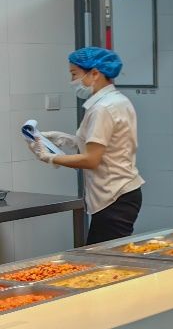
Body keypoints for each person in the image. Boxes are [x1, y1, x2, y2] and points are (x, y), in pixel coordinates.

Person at [26, 48, 144, 245]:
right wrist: (63, 139)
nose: (72, 81)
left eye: (74, 74)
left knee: (103, 257)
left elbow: (91, 159)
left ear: (95, 73)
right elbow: (105, 145)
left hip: (114, 195)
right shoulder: (116, 101)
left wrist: (49, 157)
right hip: (121, 193)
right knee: (104, 253)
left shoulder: (103, 108)